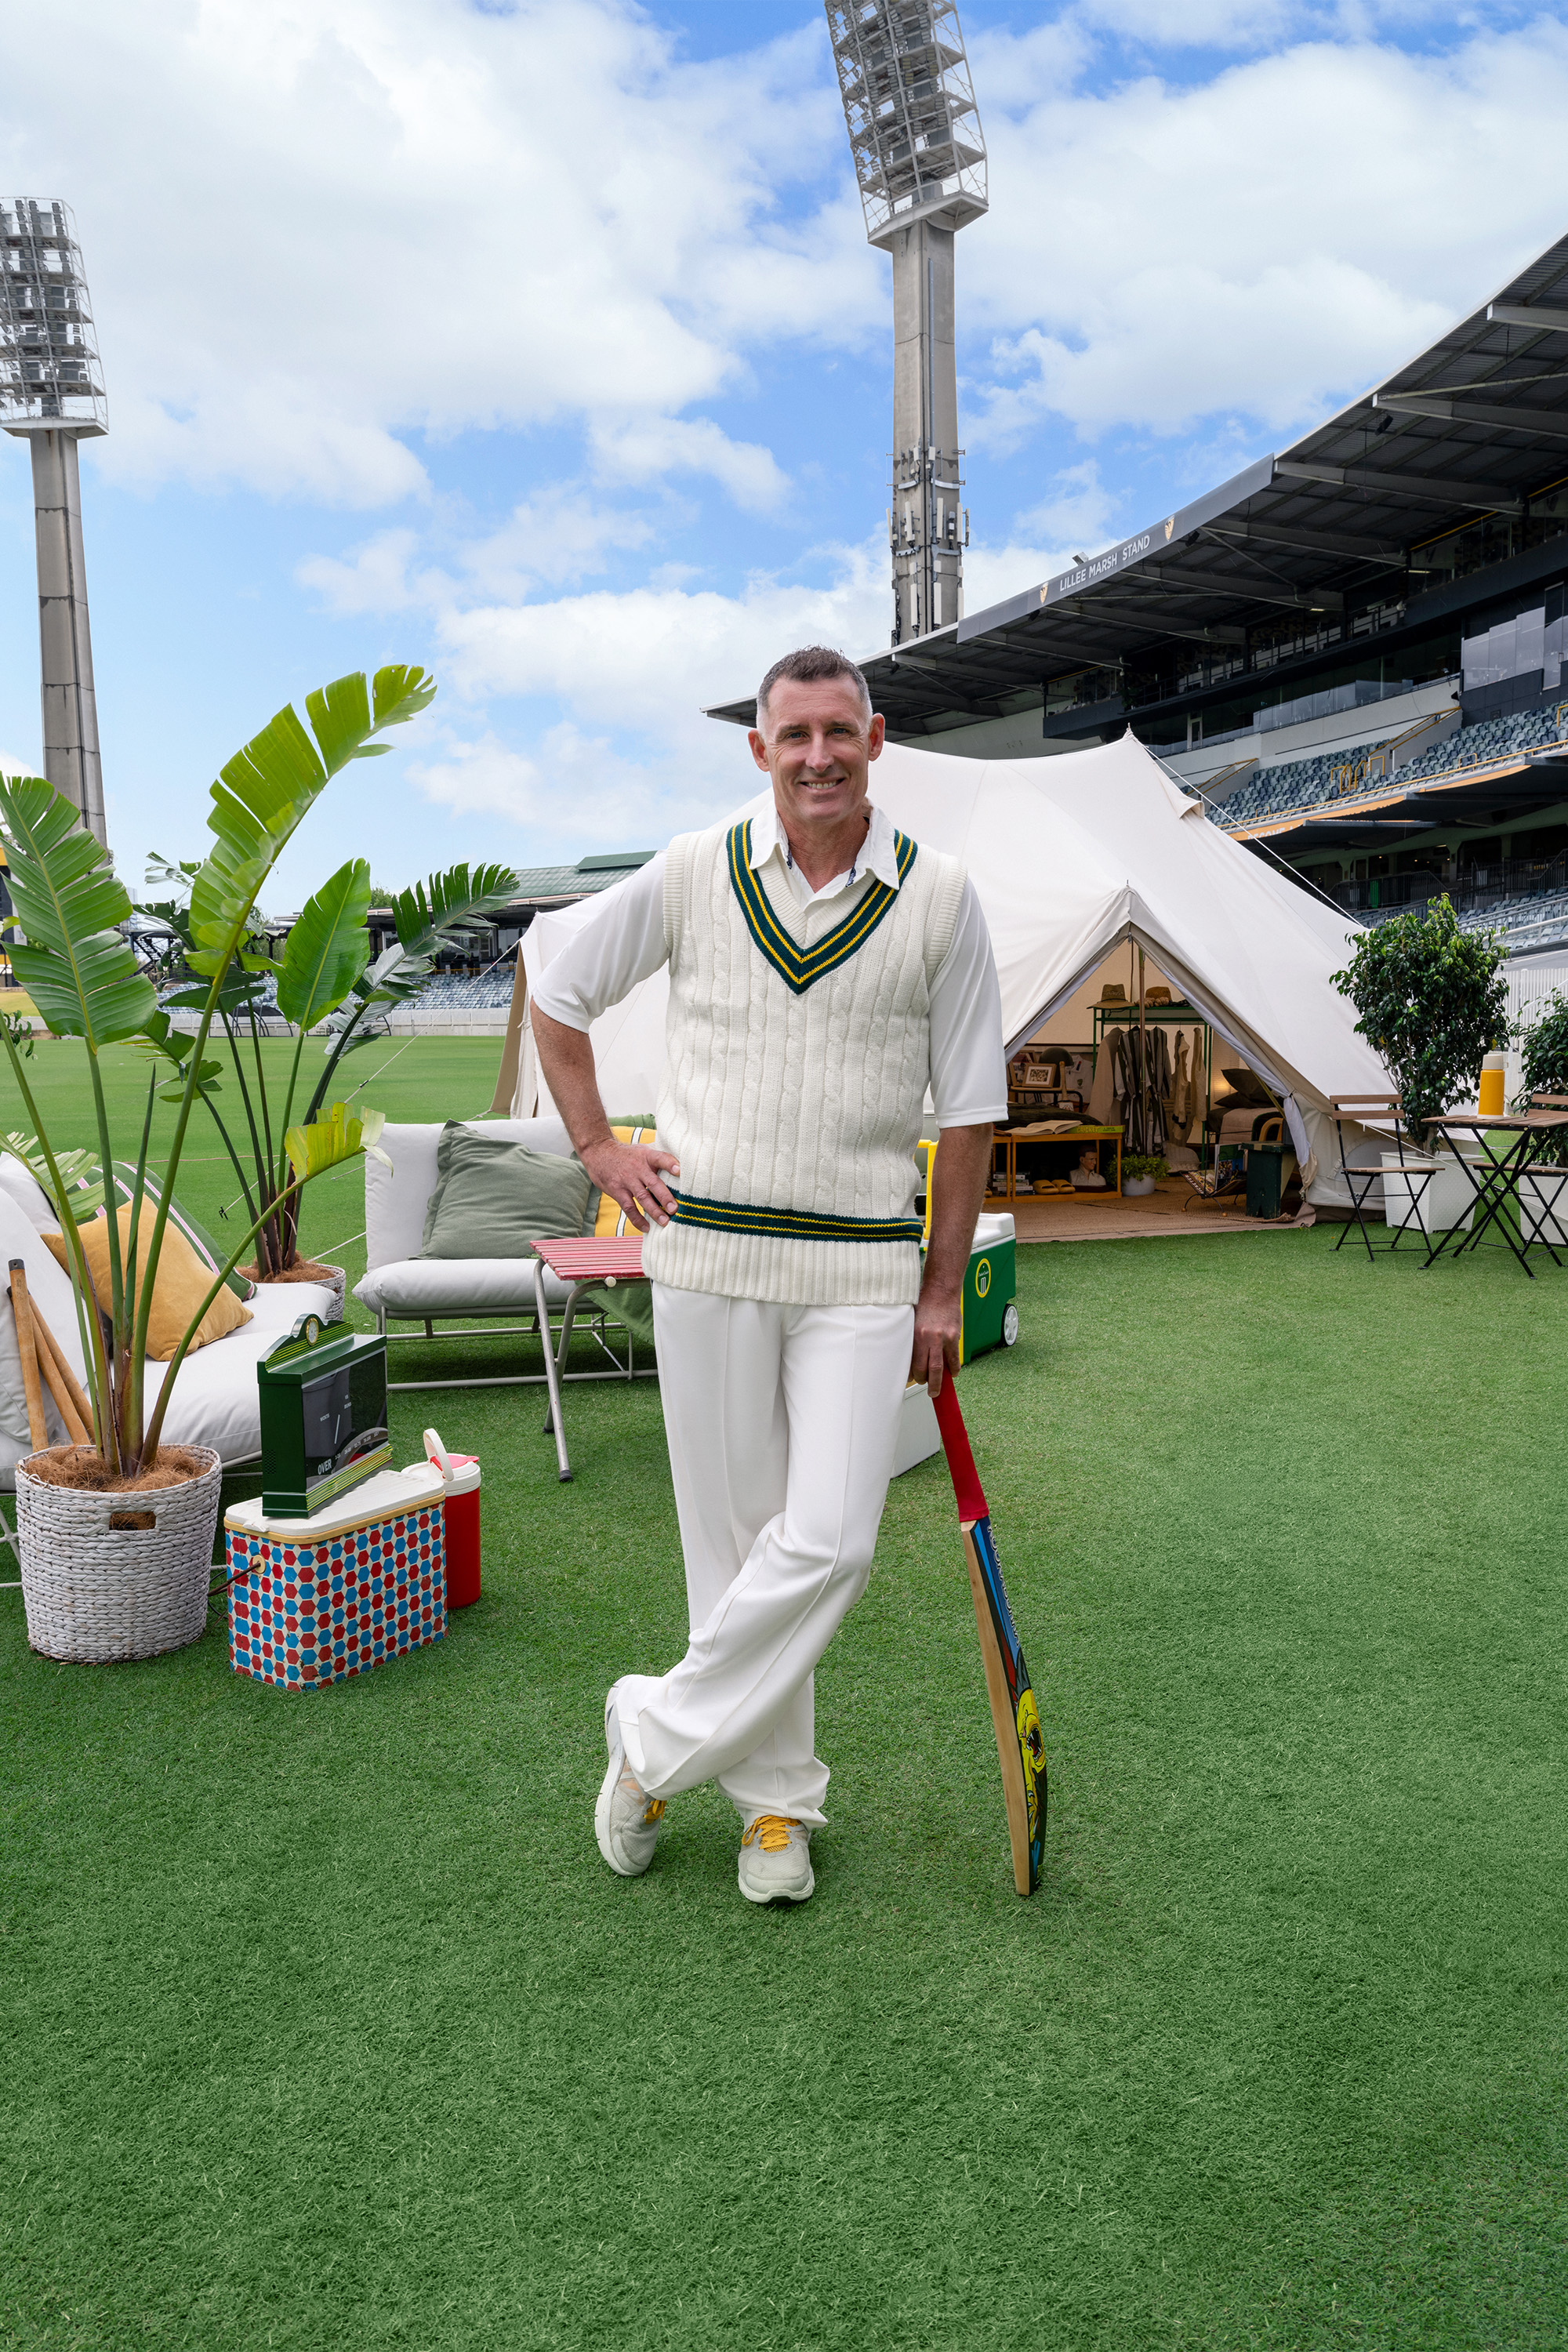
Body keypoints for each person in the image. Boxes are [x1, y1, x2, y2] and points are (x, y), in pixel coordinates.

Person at [531, 645, 1007, 1905]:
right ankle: (776, 1810)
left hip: (860, 1272)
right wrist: (595, 1145)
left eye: (837, 732)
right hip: (707, 1261)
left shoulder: (944, 898)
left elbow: (968, 1113)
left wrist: (944, 1290)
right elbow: (556, 978)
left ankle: (649, 1740)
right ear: (759, 748)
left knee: (834, 1541)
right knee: (735, 1545)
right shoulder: (695, 871)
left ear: (876, 736)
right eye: (792, 735)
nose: (817, 757)